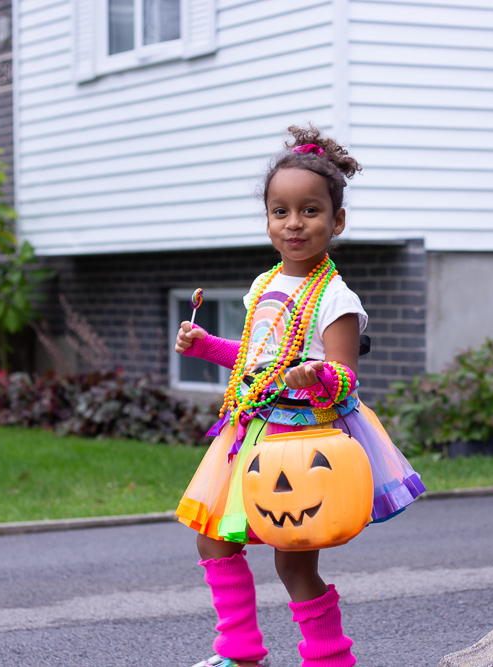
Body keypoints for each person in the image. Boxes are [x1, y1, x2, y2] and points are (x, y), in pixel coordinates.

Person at [174, 124, 425, 667]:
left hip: (302, 439)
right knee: (215, 540)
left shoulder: (336, 297)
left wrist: (317, 376)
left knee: (294, 566)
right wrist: (205, 347)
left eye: (310, 211)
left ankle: (329, 659)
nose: (294, 223)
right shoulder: (263, 286)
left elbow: (344, 376)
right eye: (280, 211)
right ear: (266, 219)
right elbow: (253, 359)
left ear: (336, 221)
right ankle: (240, 653)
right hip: (249, 432)